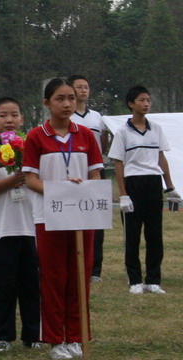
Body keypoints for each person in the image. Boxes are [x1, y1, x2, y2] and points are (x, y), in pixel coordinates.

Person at [23, 78, 103, 360]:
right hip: (49, 215)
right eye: (60, 98)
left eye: (71, 98)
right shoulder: (36, 136)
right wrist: (58, 191)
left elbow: (96, 174)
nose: (67, 103)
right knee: (55, 276)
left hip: (82, 214)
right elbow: (30, 178)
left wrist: (83, 190)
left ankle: (77, 336)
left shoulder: (85, 135)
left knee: (80, 275)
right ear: (47, 103)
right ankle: (56, 338)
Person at [0, 97, 41, 353]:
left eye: (14, 115)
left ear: (22, 119)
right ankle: (1, 335)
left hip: (31, 227)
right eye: (3, 115)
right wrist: (14, 179)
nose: (9, 120)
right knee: (2, 287)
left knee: (30, 286)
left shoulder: (31, 148)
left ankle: (33, 334)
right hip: (1, 229)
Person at [110, 85, 181, 295]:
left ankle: (153, 280)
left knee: (154, 235)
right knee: (132, 235)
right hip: (133, 184)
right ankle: (134, 280)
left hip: (152, 184)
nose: (146, 104)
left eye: (148, 100)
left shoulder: (156, 129)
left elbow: (161, 158)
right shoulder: (122, 132)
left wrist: (169, 186)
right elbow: (118, 164)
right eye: (142, 100)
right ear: (131, 104)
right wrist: (123, 194)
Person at [68, 75, 110, 283]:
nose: (83, 91)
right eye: (79, 87)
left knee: (96, 218)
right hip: (71, 171)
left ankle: (95, 269)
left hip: (95, 169)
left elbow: (104, 141)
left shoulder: (97, 117)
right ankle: (74, 263)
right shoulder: (67, 117)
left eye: (86, 87)